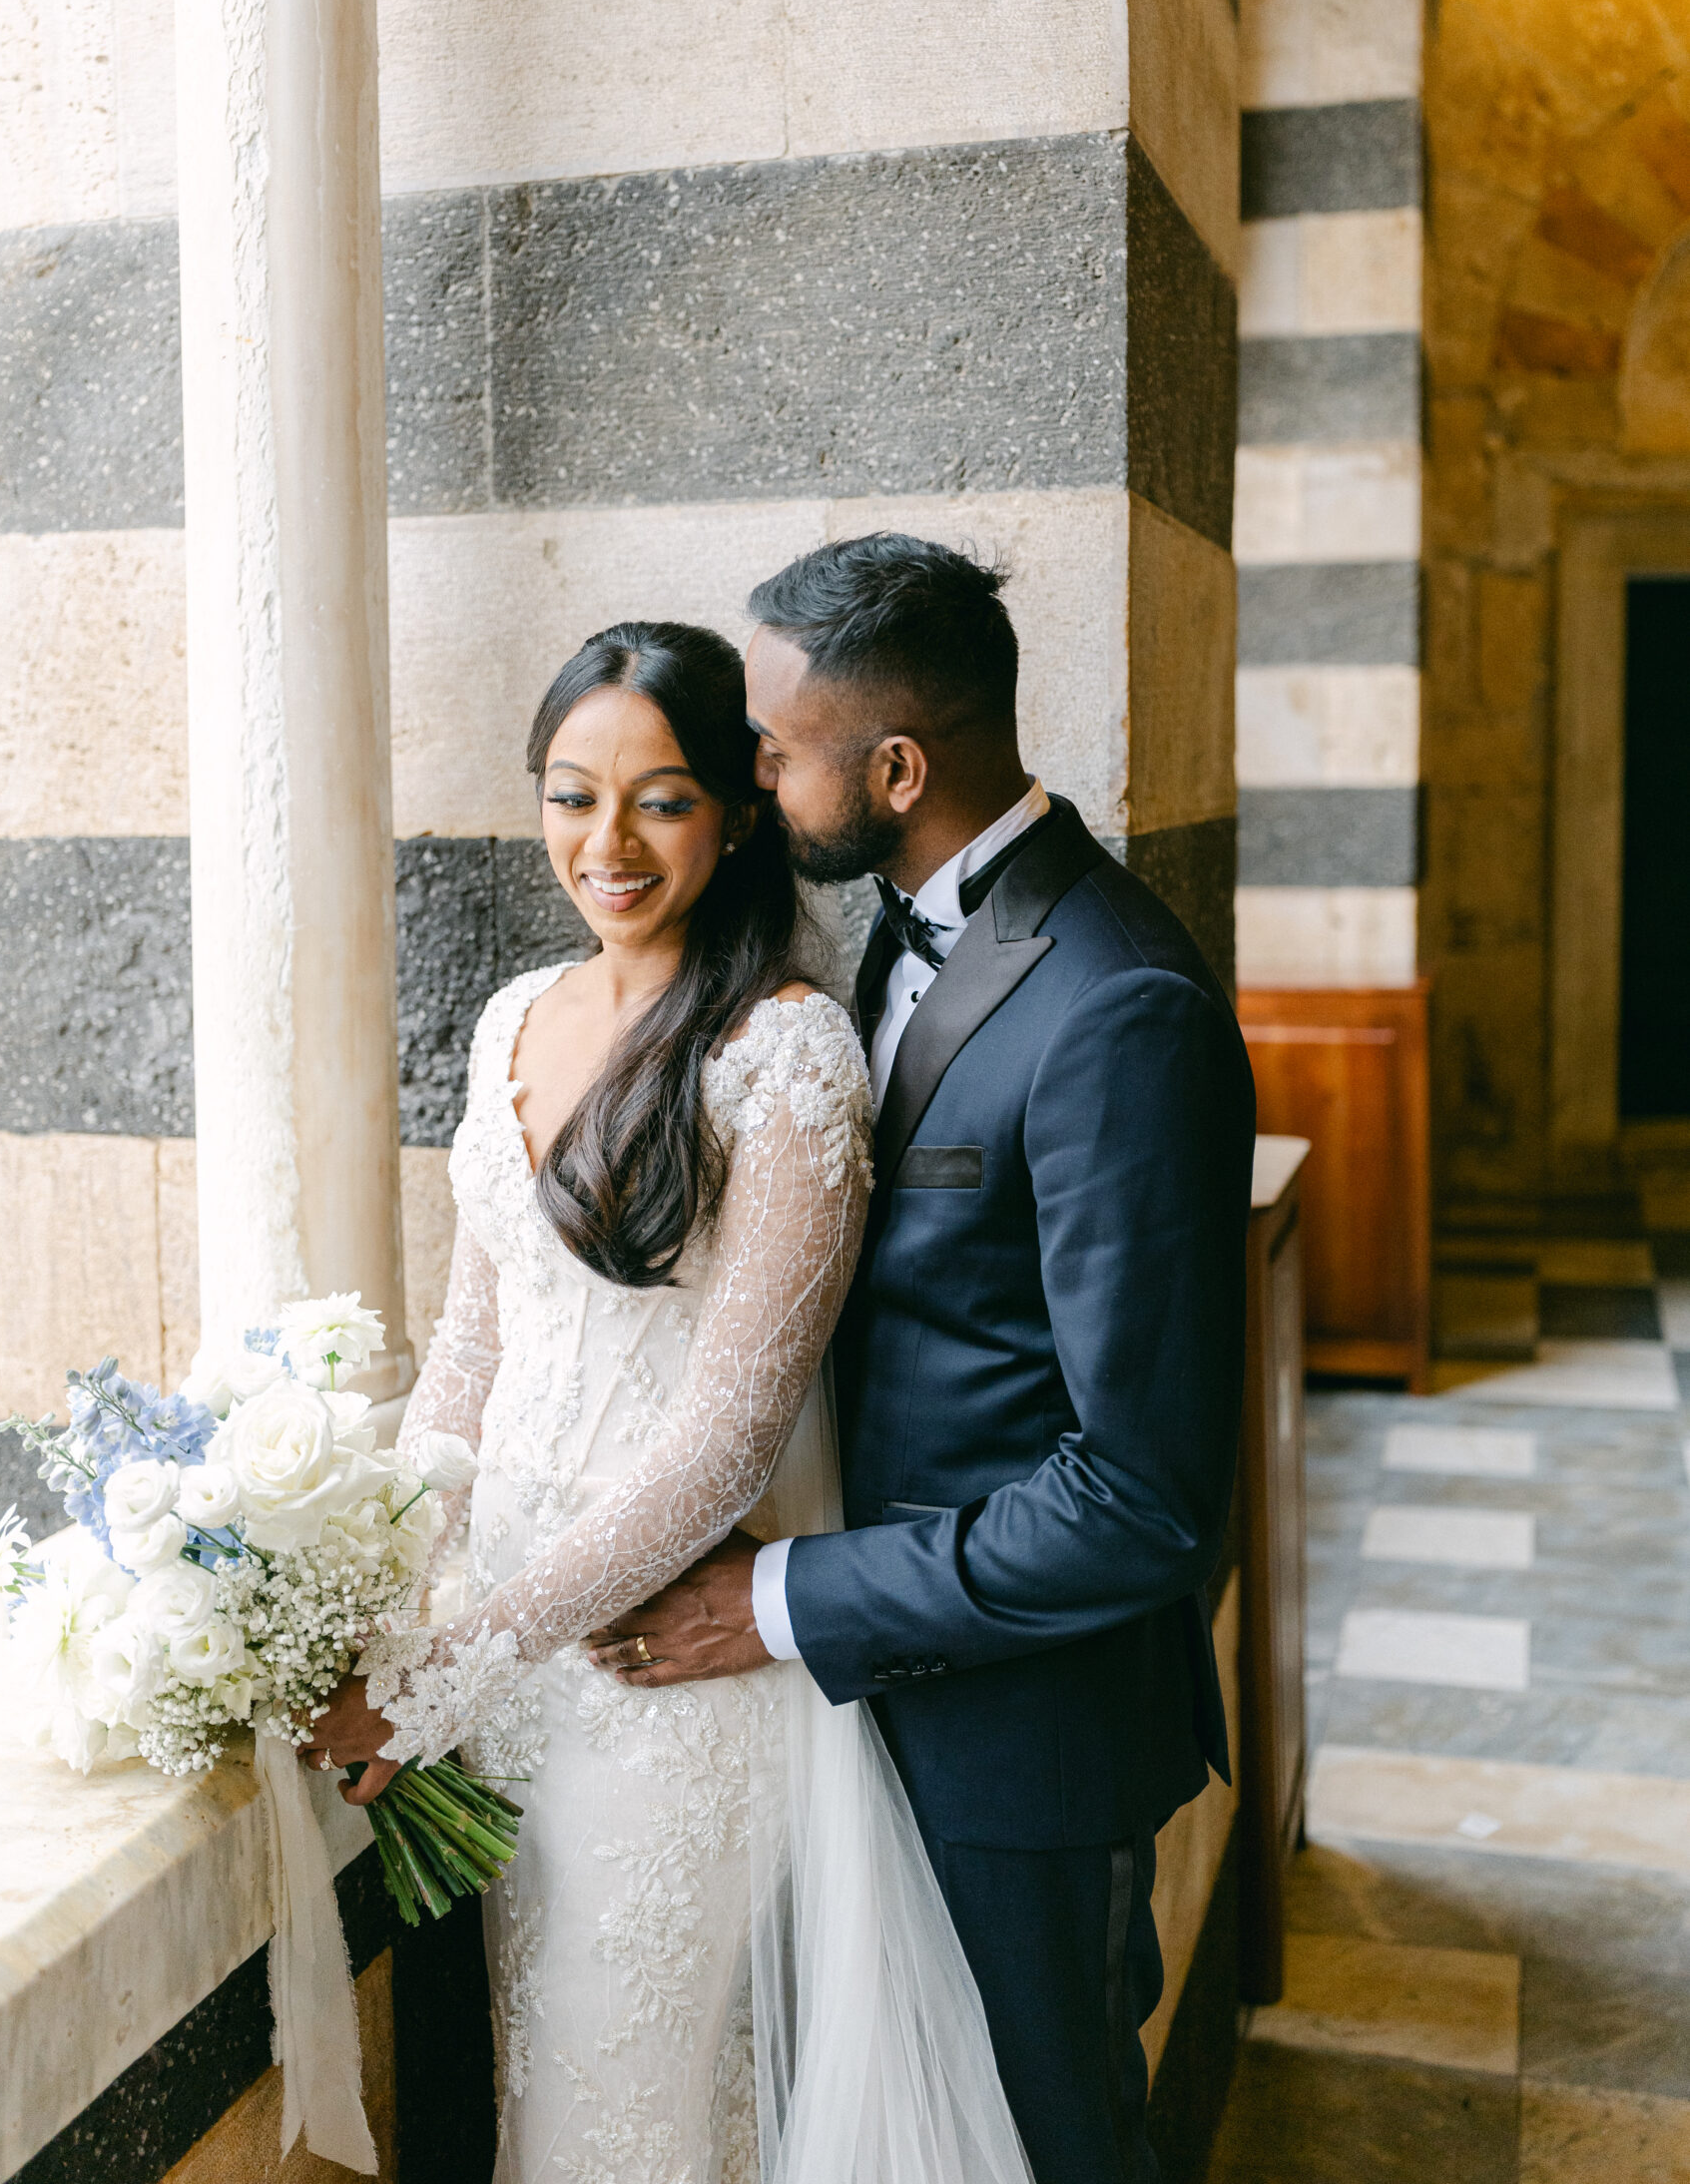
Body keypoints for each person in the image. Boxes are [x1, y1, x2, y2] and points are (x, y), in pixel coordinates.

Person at [300, 618, 1034, 2184]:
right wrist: (363, 1573)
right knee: (565, 2100)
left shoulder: (785, 1053)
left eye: (662, 799)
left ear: (743, 811)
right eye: (572, 796)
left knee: (605, 2112)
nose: (606, 844)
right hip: (505, 1666)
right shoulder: (512, 1018)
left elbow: (727, 1441)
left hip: (661, 1678)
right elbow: (471, 1359)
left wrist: (442, 1672)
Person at [591, 538, 1256, 2184]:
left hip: (1019, 1745)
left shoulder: (1121, 1005)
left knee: (1050, 2146)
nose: (742, 775)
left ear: (897, 769)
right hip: (856, 1725)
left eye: (772, 747)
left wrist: (780, 1599)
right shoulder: (888, 936)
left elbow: (1146, 1497)